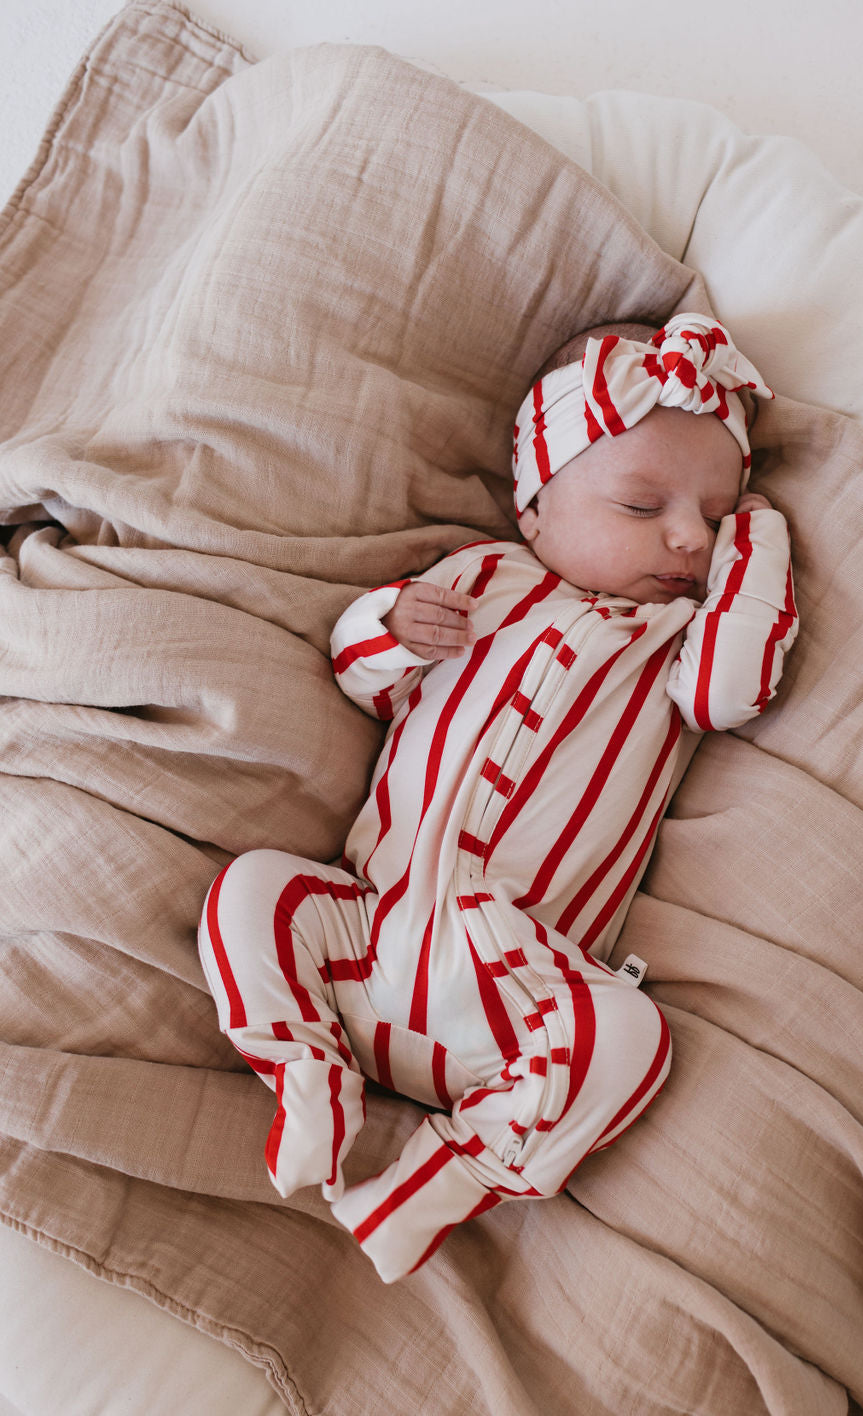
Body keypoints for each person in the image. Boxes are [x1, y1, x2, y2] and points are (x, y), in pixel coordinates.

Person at [198, 312, 798, 1283]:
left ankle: (438, 1181)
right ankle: (308, 1075)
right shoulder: (485, 579)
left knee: (632, 1042)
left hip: (515, 997)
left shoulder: (671, 649)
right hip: (365, 929)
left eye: (714, 514)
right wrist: (391, 623)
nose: (689, 534)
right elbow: (363, 675)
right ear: (536, 505)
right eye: (643, 504)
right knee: (252, 892)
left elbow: (738, 684)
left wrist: (756, 539)